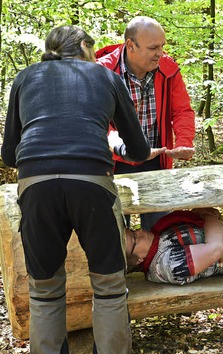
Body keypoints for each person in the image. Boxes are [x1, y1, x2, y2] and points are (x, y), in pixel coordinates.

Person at [1, 26, 151, 353]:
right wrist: (117, 147)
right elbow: (139, 150)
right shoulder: (106, 78)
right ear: (84, 46)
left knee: (44, 292)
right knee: (110, 288)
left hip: (37, 185)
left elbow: (9, 154)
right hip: (92, 182)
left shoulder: (26, 78)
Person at [96, 16, 196, 230]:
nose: (160, 53)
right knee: (113, 229)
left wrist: (184, 142)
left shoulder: (168, 70)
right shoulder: (101, 72)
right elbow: (97, 124)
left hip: (156, 160)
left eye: (162, 46)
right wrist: (124, 150)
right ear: (130, 46)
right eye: (153, 48)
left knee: (160, 228)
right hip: (112, 163)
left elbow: (182, 111)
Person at [126, 208, 223, 284]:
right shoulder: (166, 265)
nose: (138, 232)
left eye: (133, 231)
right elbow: (215, 248)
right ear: (139, 259)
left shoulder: (157, 237)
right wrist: (209, 216)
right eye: (134, 238)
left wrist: (202, 213)